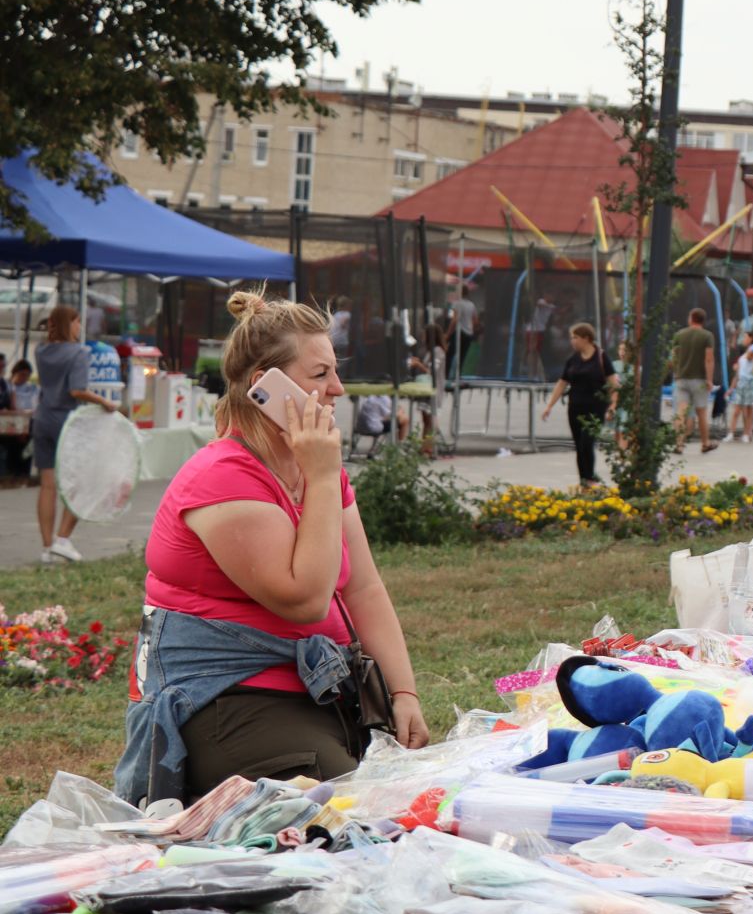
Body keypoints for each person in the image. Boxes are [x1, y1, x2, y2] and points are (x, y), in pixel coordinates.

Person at [114, 291, 427, 807]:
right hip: (229, 701)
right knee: (352, 815)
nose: (338, 389)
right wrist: (323, 478)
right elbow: (304, 599)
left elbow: (365, 587)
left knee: (408, 803)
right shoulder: (223, 476)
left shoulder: (317, 472)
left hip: (316, 695)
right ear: (265, 385)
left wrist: (404, 692)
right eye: (320, 374)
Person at [33, 305, 120, 564]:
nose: (79, 327)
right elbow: (77, 390)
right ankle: (63, 538)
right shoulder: (79, 353)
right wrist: (105, 403)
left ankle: (47, 547)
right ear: (68, 324)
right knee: (82, 482)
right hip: (67, 422)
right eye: (77, 322)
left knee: (47, 485)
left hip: (42, 419)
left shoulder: (41, 351)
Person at [542, 323, 619, 485]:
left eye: (575, 338)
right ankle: (583, 480)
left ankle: (590, 477)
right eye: (572, 338)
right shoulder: (573, 360)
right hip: (575, 408)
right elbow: (562, 383)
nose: (572, 341)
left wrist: (613, 406)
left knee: (587, 442)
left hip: (595, 408)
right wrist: (549, 406)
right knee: (579, 445)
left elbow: (613, 383)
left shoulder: (601, 357)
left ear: (586, 339)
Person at [671, 308, 718, 454]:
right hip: (699, 379)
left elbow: (674, 357)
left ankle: (679, 444)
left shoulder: (679, 335)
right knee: (701, 412)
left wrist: (677, 372)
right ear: (703, 320)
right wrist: (709, 380)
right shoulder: (707, 336)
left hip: (681, 378)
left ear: (691, 318)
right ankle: (705, 443)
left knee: (681, 411)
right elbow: (708, 359)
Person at [406, 323, 447, 454]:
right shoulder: (431, 351)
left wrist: (418, 364)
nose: (422, 337)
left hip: (434, 389)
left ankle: (428, 446)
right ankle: (425, 445)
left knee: (429, 419)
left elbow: (432, 371)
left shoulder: (438, 352)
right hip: (426, 389)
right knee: (426, 420)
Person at [727, 333, 753, 443]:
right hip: (741, 385)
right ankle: (732, 433)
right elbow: (738, 374)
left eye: (745, 337)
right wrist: (731, 388)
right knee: (737, 411)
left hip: (751, 385)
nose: (743, 339)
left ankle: (747, 433)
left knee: (748, 410)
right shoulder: (742, 358)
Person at [448, 283, 478, 383]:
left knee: (450, 354)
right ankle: (458, 375)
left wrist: (448, 334)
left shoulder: (457, 303)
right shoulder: (471, 304)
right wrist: (472, 330)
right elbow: (475, 320)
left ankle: (446, 375)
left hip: (460, 332)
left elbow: (454, 320)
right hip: (468, 333)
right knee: (462, 356)